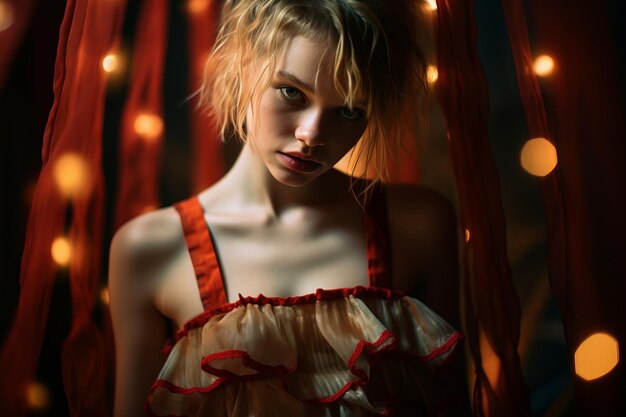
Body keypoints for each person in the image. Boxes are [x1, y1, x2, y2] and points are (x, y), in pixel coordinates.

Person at [109, 0, 469, 416]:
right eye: (291, 92)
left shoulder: (418, 225)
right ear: (243, 66)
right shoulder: (150, 249)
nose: (311, 134)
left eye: (349, 111)